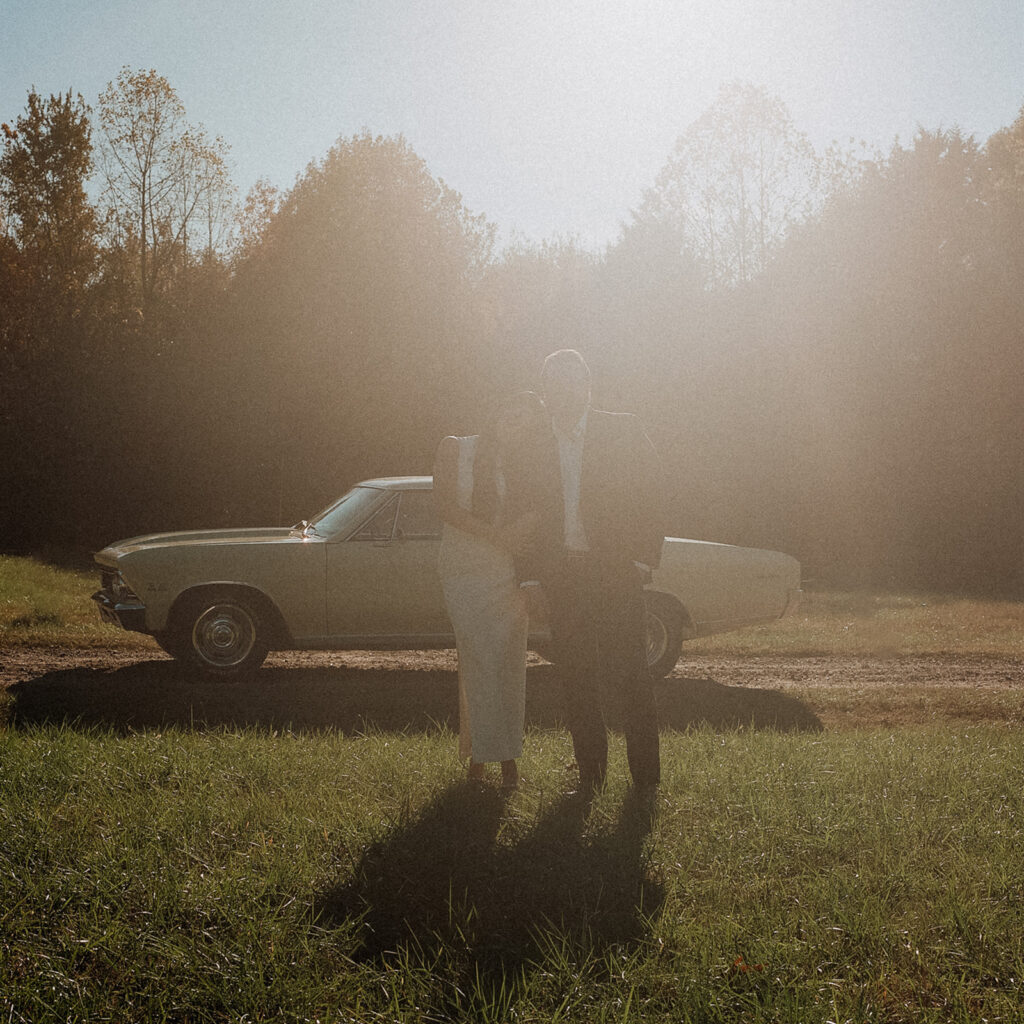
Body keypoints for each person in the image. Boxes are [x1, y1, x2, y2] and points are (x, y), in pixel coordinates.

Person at [521, 349, 666, 794]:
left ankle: (645, 782)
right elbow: (525, 511)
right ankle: (591, 778)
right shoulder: (533, 441)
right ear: (545, 391)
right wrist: (530, 575)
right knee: (576, 677)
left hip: (616, 569)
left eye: (573, 381)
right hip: (562, 575)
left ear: (588, 385)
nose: (564, 391)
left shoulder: (620, 429)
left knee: (631, 674)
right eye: (555, 383)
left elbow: (654, 490)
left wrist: (642, 557)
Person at [434, 391, 546, 790]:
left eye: (526, 421)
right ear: (497, 412)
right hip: (464, 568)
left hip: (505, 572)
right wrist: (501, 537)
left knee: (508, 662)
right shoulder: (456, 449)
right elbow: (446, 509)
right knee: (478, 659)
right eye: (511, 414)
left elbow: (537, 511)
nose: (516, 424)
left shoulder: (525, 464)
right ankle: (482, 759)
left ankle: (508, 759)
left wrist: (518, 541)